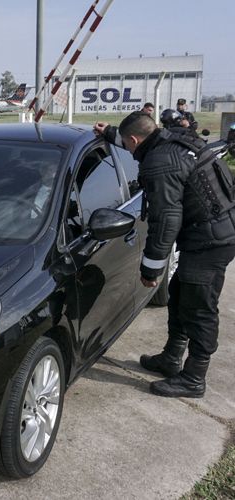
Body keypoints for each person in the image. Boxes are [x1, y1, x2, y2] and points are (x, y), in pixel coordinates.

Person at [94, 112, 235, 398]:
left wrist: (150, 269)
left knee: (199, 309)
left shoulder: (159, 164)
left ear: (134, 139)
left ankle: (194, 378)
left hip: (210, 242)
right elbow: (142, 142)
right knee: (180, 294)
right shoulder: (171, 138)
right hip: (213, 231)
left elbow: (166, 221)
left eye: (126, 143)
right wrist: (109, 133)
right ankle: (171, 358)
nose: (129, 150)